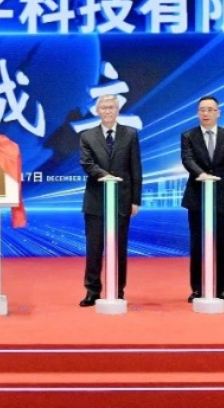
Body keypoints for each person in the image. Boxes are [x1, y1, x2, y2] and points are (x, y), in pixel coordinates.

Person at [79, 93, 142, 306]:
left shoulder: (130, 134)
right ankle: (92, 291)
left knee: (119, 249)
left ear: (117, 110)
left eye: (111, 107)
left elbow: (136, 169)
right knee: (94, 249)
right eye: (104, 107)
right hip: (96, 201)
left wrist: (135, 200)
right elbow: (87, 163)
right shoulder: (87, 136)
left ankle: (118, 289)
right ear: (97, 111)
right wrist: (105, 176)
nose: (107, 111)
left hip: (122, 200)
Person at [179, 95, 224, 304]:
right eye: (202, 110)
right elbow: (187, 159)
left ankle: (223, 289)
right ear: (198, 113)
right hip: (197, 197)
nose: (205, 113)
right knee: (197, 245)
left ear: (218, 112)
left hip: (223, 198)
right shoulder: (188, 135)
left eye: (210, 109)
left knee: (222, 245)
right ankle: (197, 289)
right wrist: (202, 174)